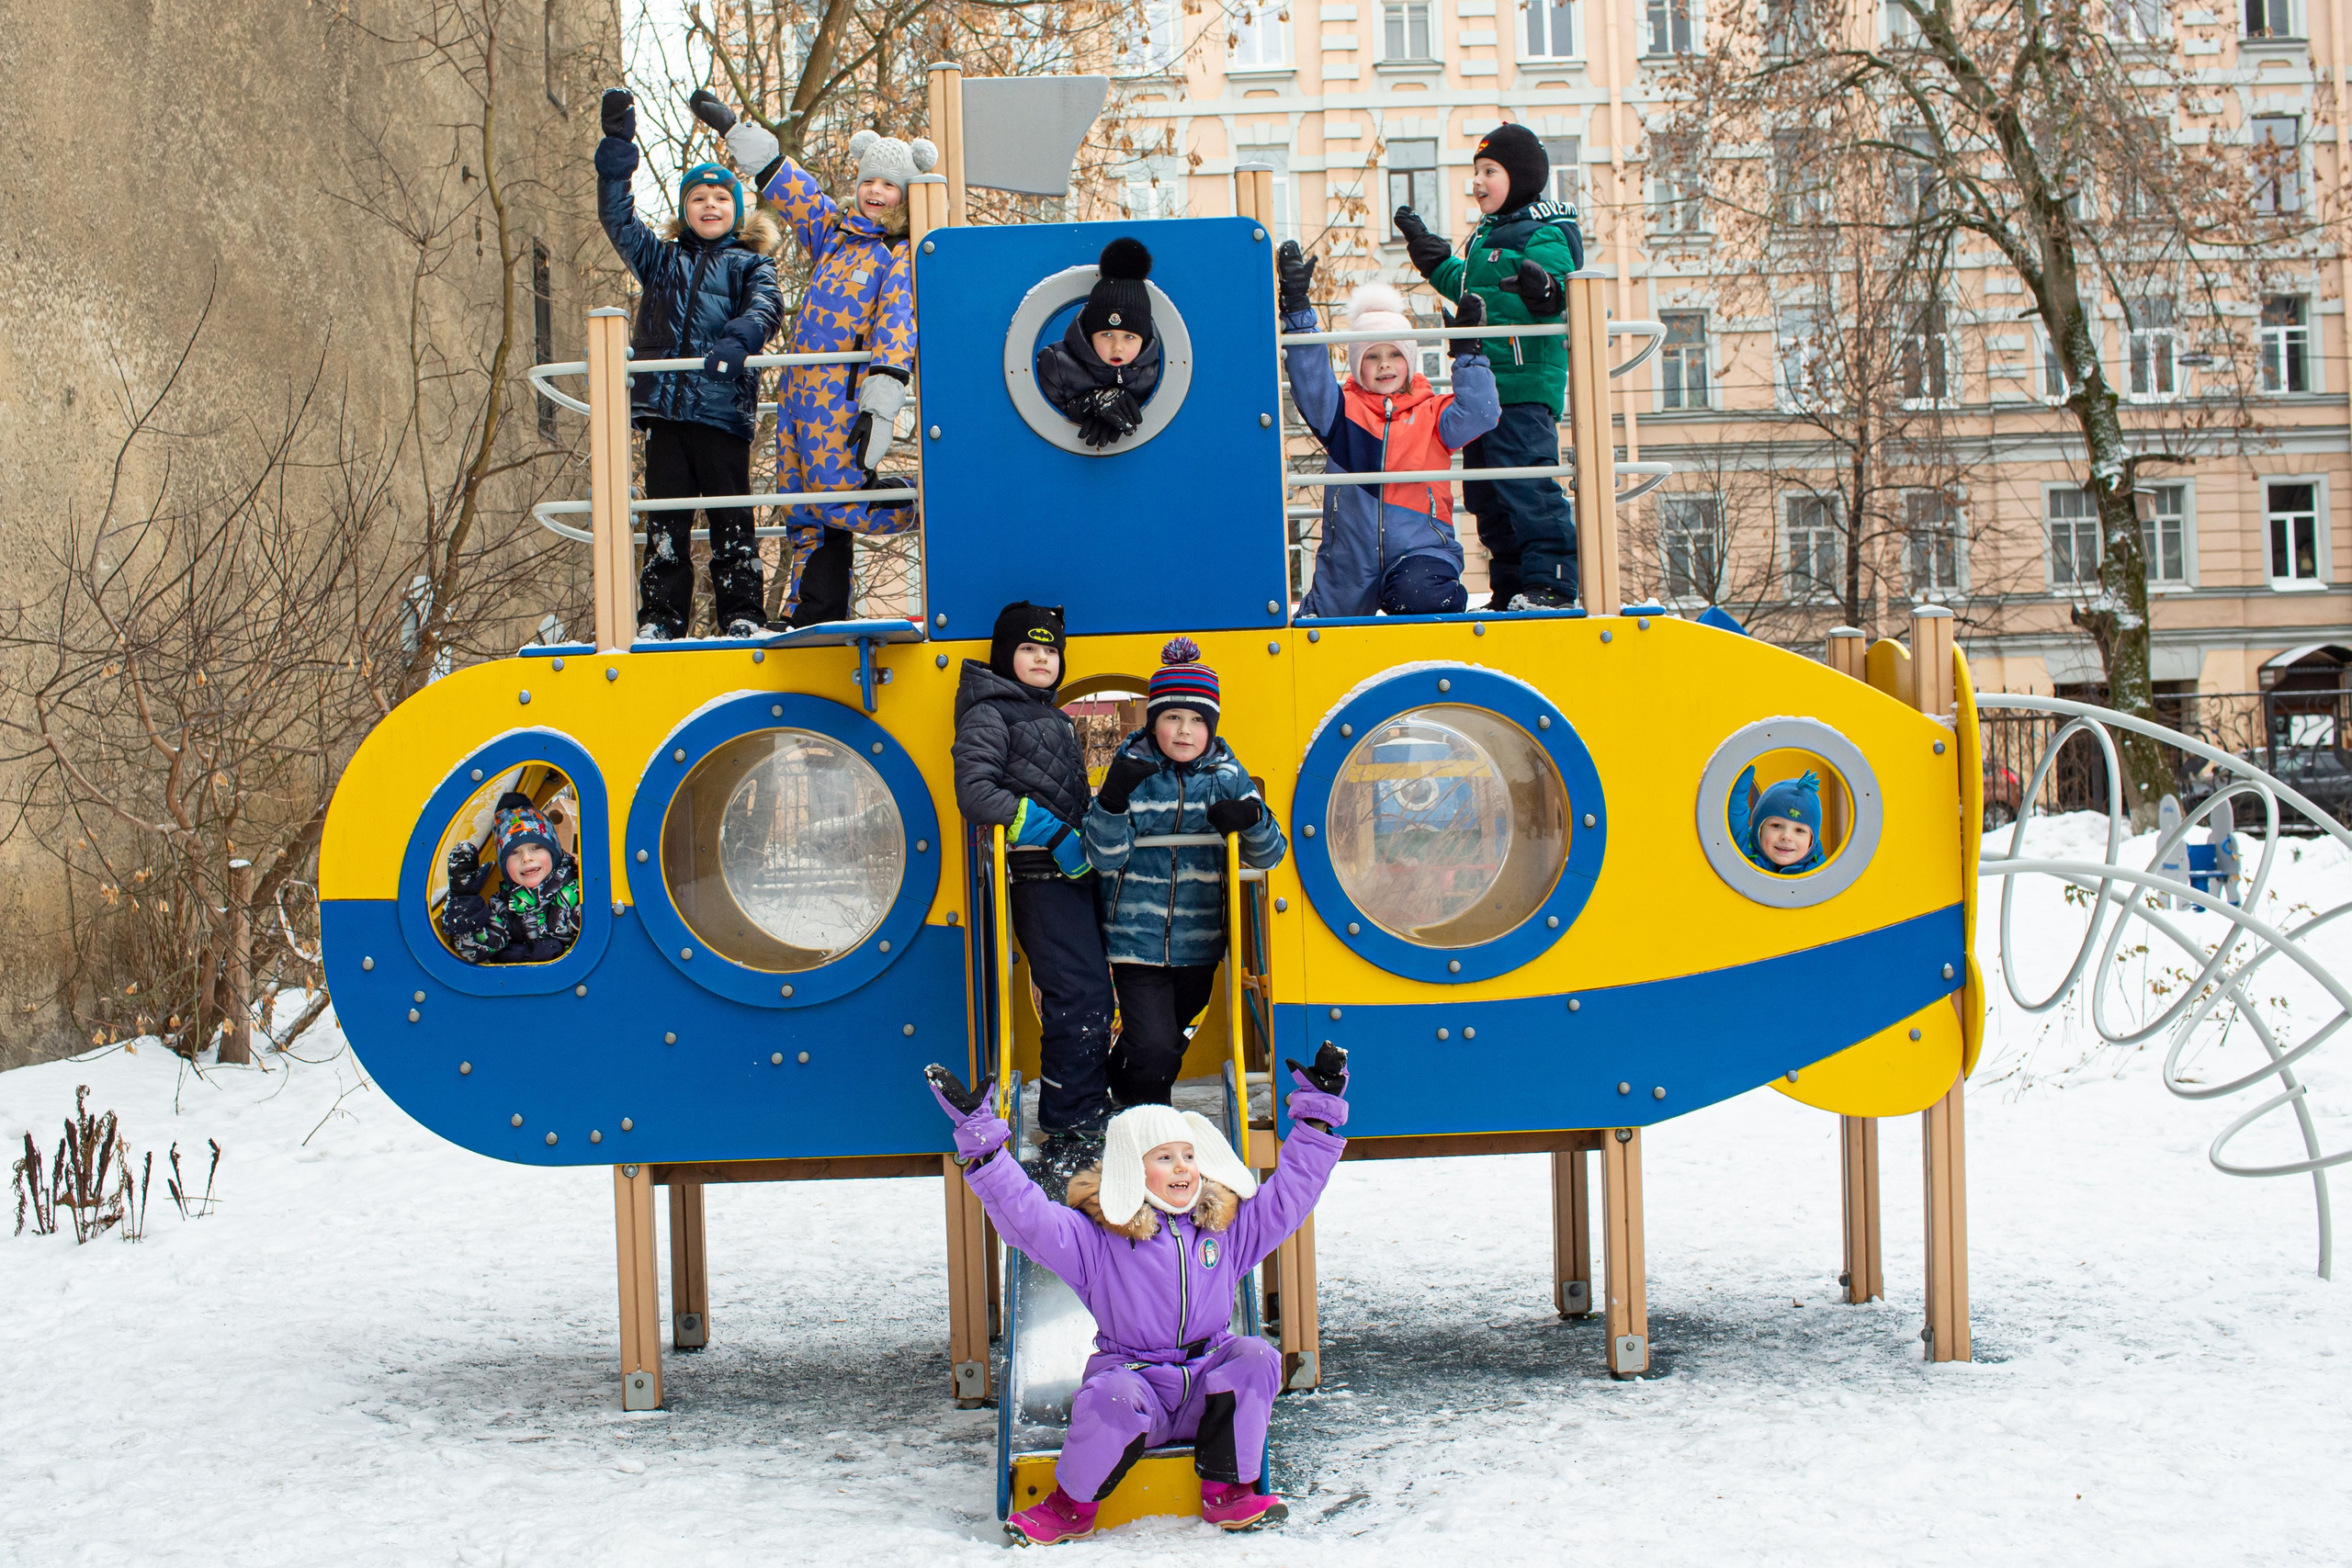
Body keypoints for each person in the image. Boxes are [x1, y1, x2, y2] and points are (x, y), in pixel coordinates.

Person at [922, 1045, 1352, 1542]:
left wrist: (1317, 1125)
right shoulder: (1098, 1240)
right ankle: (1070, 1505)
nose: (1183, 1168)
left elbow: (1288, 1197)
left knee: (1256, 1354)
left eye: (1189, 1156)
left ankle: (1228, 1490)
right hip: (1136, 1386)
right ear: (1131, 1168)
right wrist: (986, 1150)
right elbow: (1028, 1220)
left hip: (1204, 1381)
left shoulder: (1223, 1231)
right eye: (1164, 1158)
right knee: (1110, 1394)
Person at [692, 93, 926, 625]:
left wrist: (881, 402)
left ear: (905, 196)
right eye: (869, 181)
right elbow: (794, 190)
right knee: (800, 502)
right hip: (799, 393)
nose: (875, 192)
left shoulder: (898, 254)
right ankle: (807, 612)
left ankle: (915, 508)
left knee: (835, 499)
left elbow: (896, 328)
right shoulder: (835, 236)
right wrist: (736, 131)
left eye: (889, 185)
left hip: (842, 398)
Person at [595, 89, 786, 640]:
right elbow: (617, 220)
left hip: (721, 407)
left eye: (721, 199)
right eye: (698, 198)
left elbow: (766, 308)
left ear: (737, 210)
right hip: (666, 412)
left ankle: (743, 613)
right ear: (684, 210)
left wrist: (737, 341)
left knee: (731, 515)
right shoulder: (661, 260)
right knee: (667, 518)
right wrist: (616, 154)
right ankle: (660, 617)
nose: (710, 206)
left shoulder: (750, 263)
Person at [1084, 639, 1286, 1108]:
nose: (1184, 731)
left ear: (1212, 726)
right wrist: (1112, 802)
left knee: (1164, 1038)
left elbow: (1269, 855)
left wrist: (1252, 821)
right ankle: (1150, 1120)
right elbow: (1103, 856)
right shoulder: (1132, 771)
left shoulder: (1228, 775)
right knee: (1155, 1043)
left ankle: (1117, 1079)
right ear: (1154, 722)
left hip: (1200, 940)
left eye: (1197, 720)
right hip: (1135, 937)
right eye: (1172, 717)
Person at [1394, 123, 1586, 612]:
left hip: (1521, 385)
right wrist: (1431, 255)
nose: (1477, 182)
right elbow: (1469, 289)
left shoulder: (1545, 231)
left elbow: (1560, 289)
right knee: (1488, 494)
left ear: (1519, 178)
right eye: (1476, 172)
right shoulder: (1486, 238)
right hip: (1482, 388)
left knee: (1525, 483)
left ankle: (1553, 583)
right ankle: (1511, 587)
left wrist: (1542, 286)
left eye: (1490, 171)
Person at [952, 601, 1116, 1167]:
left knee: (1094, 989)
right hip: (1036, 873)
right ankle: (1071, 1119)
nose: (1043, 659)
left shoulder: (1048, 715)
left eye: (1051, 651)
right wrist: (1051, 833)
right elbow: (976, 791)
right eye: (1029, 649)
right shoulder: (991, 712)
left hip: (1067, 872)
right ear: (1006, 655)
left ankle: (1087, 1104)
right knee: (1079, 992)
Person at [1278, 250, 1499, 617]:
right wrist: (1298, 312)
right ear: (1356, 365)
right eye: (1371, 356)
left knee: (1422, 595)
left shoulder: (1433, 412)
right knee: (1322, 635)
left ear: (1409, 361)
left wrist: (1468, 355)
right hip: (1349, 557)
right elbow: (1310, 380)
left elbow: (1482, 413)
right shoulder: (1341, 412)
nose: (1384, 364)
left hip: (1421, 550)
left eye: (1394, 354)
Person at [1034, 238, 1162, 449]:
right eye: (1106, 334)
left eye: (1129, 337)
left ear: (1145, 338)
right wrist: (1086, 406)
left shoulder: (1155, 373)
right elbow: (1040, 412)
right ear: (1089, 333)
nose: (1117, 347)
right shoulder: (1056, 365)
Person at [443, 795, 585, 964]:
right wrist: (463, 898)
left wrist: (558, 956)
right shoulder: (504, 905)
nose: (526, 858)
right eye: (514, 852)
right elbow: (476, 949)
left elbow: (595, 946)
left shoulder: (576, 894)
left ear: (554, 852)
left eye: (536, 847)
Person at [1731, 767, 1826, 876]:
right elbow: (1734, 811)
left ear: (1812, 839)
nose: (1786, 836)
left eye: (1799, 830)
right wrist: (1741, 763)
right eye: (1776, 826)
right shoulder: (1744, 849)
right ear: (1759, 829)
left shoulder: (1819, 872)